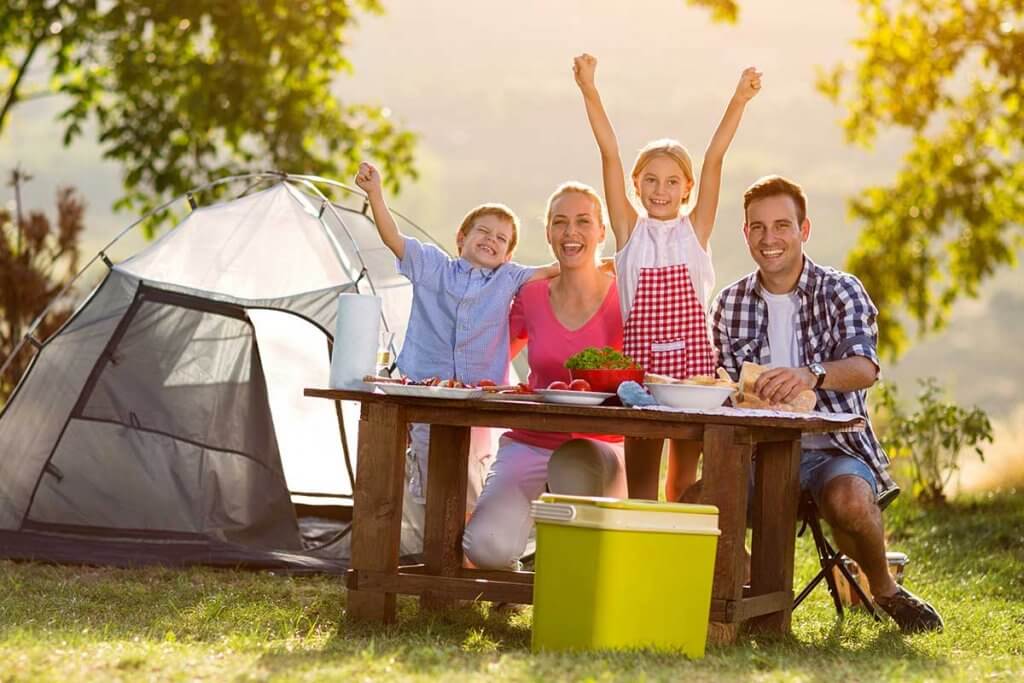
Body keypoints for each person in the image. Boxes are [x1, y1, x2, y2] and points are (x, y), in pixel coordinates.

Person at [709, 174, 944, 633]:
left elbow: (865, 367)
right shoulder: (728, 303)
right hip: (756, 453)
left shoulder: (841, 290)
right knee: (698, 505)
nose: (769, 238)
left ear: (804, 229)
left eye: (781, 225)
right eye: (757, 227)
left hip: (833, 449)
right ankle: (760, 591)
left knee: (852, 503)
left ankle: (884, 588)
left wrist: (810, 374)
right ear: (745, 234)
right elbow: (721, 381)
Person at [572, 53, 762, 502]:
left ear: (688, 188)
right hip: (642, 376)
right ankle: (642, 558)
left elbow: (715, 158)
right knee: (641, 484)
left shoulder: (695, 232)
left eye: (673, 181)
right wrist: (590, 90)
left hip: (693, 379)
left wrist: (738, 100)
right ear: (635, 185)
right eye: (651, 180)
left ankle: (680, 561)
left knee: (683, 483)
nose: (661, 190)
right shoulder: (627, 233)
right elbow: (609, 152)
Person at [354, 162, 556, 522]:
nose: (490, 240)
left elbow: (555, 270)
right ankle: (440, 535)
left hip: (480, 395)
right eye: (483, 231)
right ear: (461, 238)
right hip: (425, 390)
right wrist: (375, 195)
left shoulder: (508, 278)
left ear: (509, 254)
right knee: (433, 468)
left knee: (473, 468)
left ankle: (468, 539)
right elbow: (393, 240)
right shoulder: (434, 266)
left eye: (501, 238)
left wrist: (607, 262)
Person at [462, 182, 628, 570]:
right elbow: (491, 352)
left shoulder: (625, 296)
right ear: (549, 233)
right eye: (560, 222)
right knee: (486, 547)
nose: (571, 233)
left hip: (601, 446)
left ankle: (564, 569)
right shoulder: (532, 295)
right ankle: (519, 561)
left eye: (583, 222)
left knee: (578, 468)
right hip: (533, 439)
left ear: (602, 231)